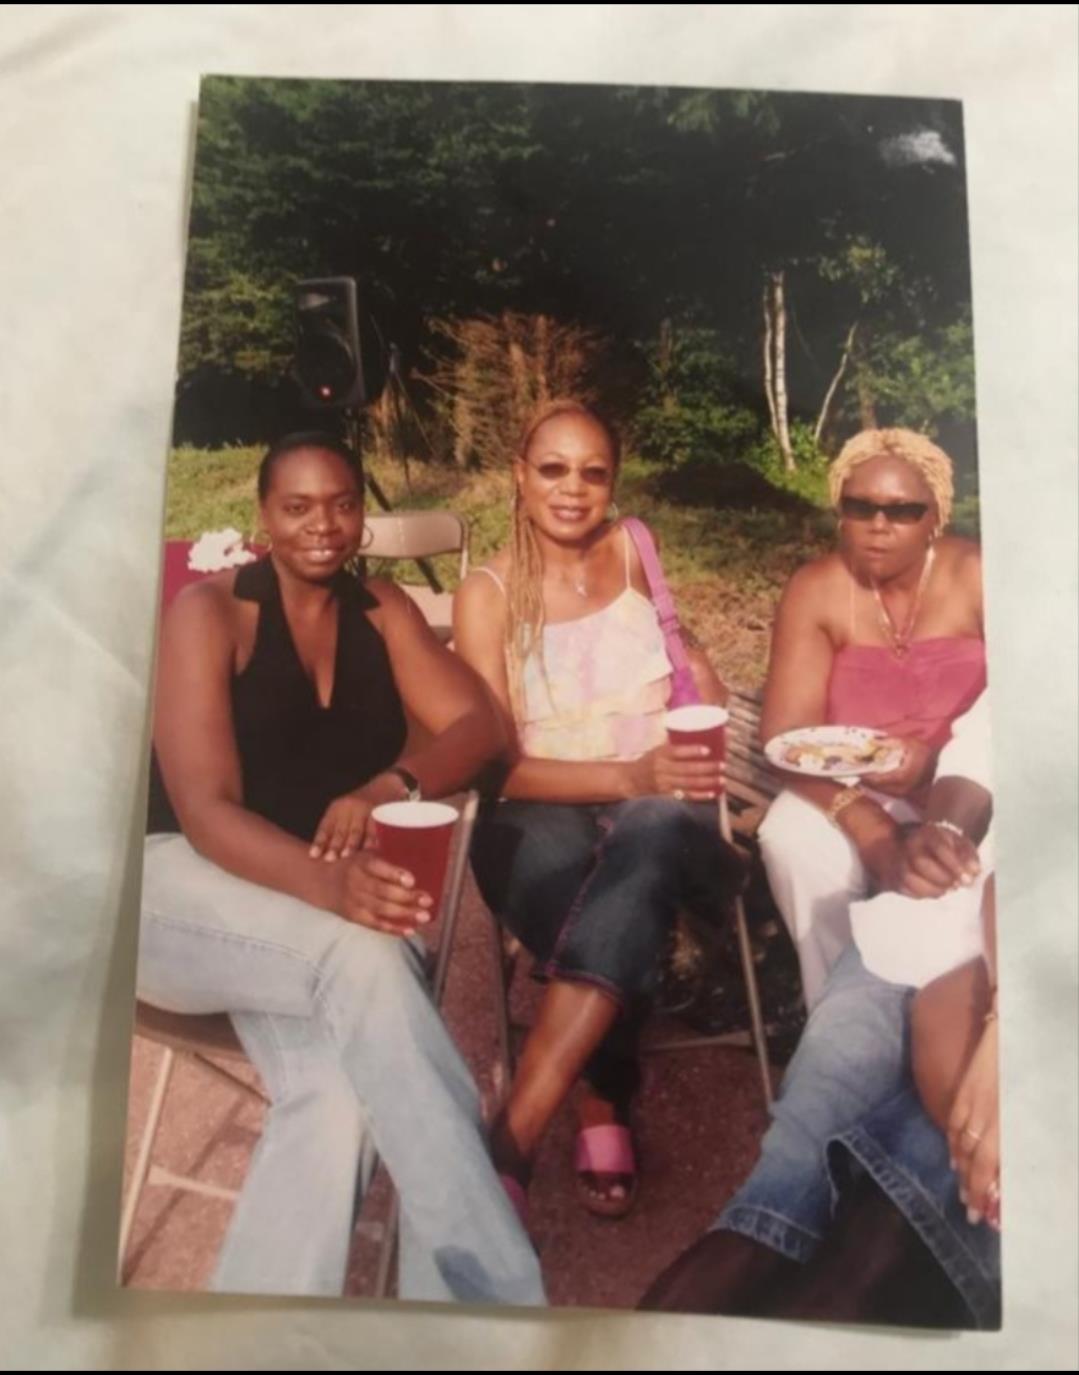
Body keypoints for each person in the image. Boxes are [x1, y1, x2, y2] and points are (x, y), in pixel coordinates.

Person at [137, 431, 544, 1303]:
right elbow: (205, 810)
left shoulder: (383, 612)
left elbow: (480, 727)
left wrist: (389, 782)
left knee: (339, 1098)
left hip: (292, 930)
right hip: (173, 895)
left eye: (341, 503)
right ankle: (492, 1299)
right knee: (365, 951)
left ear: (362, 512)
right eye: (296, 506)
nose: (322, 524)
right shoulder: (210, 615)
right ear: (262, 518)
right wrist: (331, 884)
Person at [453, 399, 744, 1221]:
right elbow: (501, 767)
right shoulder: (489, 593)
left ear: (613, 481)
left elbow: (684, 659)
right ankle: (600, 1098)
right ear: (519, 475)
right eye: (552, 468)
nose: (573, 489)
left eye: (593, 471)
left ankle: (518, 1128)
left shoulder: (634, 549)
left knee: (649, 834)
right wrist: (628, 772)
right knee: (595, 880)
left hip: (665, 802)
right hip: (543, 795)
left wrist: (701, 691)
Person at [640, 691, 1000, 1329]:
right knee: (774, 1199)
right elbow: (983, 751)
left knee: (873, 1251)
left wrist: (1003, 1037)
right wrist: (939, 835)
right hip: (931, 925)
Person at [758, 427, 986, 1009]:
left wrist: (937, 761)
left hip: (971, 781)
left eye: (902, 511)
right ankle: (839, 1017)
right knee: (790, 838)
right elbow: (785, 738)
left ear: (935, 516)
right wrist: (871, 830)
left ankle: (957, 1023)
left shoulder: (977, 576)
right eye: (860, 507)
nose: (878, 525)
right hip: (854, 786)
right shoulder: (817, 589)